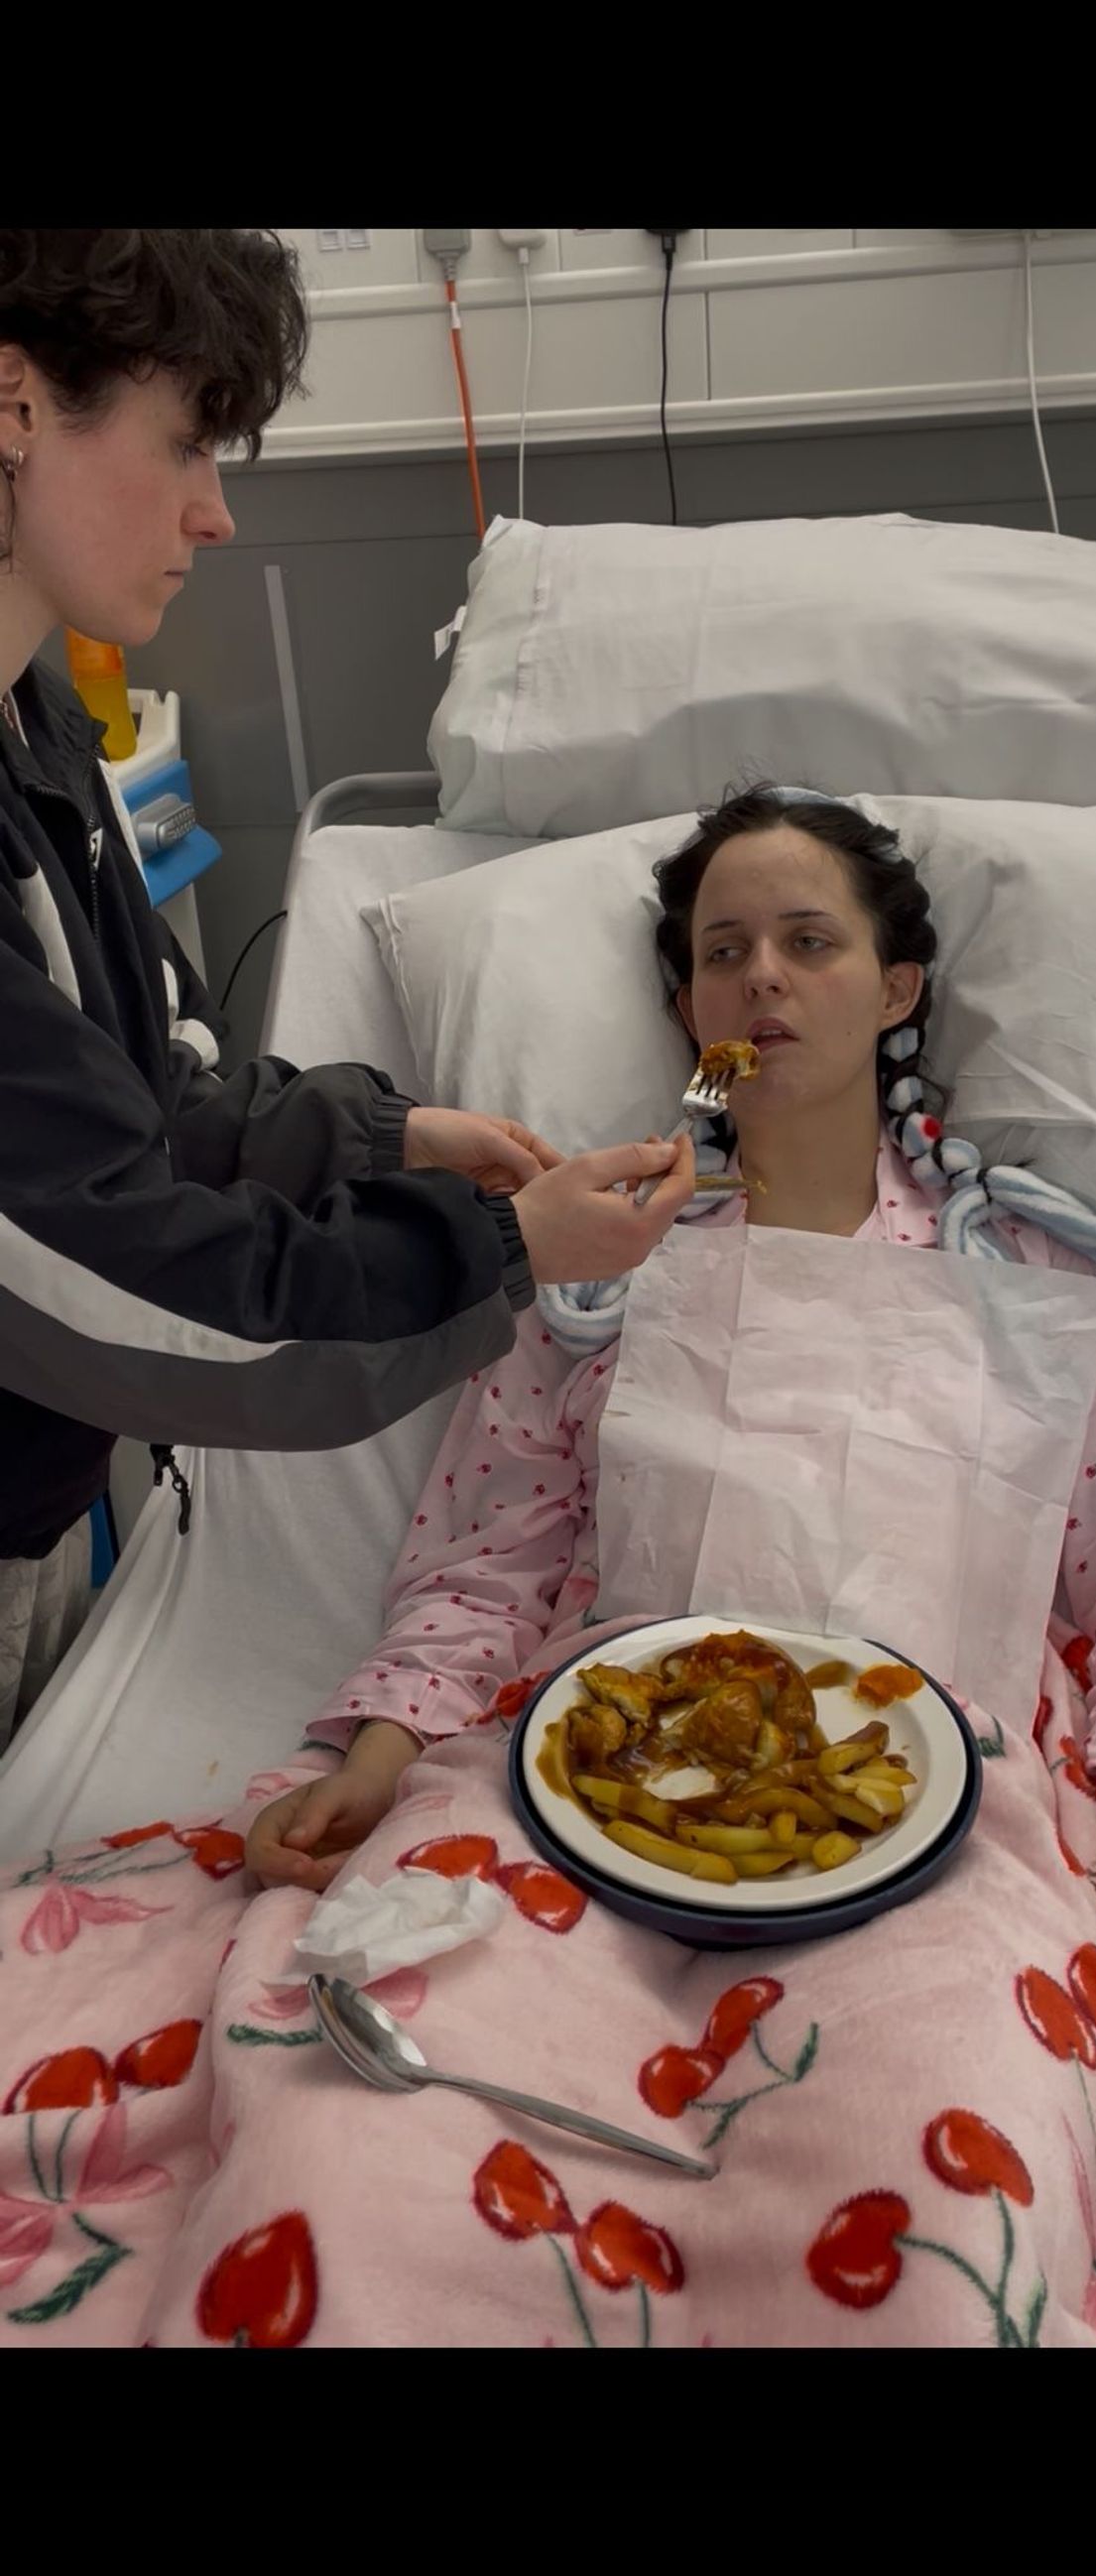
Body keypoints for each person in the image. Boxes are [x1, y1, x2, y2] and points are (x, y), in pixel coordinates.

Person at [1, 790, 1096, 2350]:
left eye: (809, 941)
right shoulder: (590, 1283)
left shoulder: (1039, 1301)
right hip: (577, 1771)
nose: (760, 976)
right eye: (721, 952)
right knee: (362, 2132)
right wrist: (378, 1750)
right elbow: (486, 1560)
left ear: (898, 991)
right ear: (690, 1009)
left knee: (938, 2189)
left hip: (939, 1812)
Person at [0, 230, 692, 1743]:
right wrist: (505, 1244)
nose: (216, 512)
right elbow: (153, 1292)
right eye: (184, 441)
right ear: (14, 402)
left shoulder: (39, 723)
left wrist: (395, 1139)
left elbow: (157, 1095)